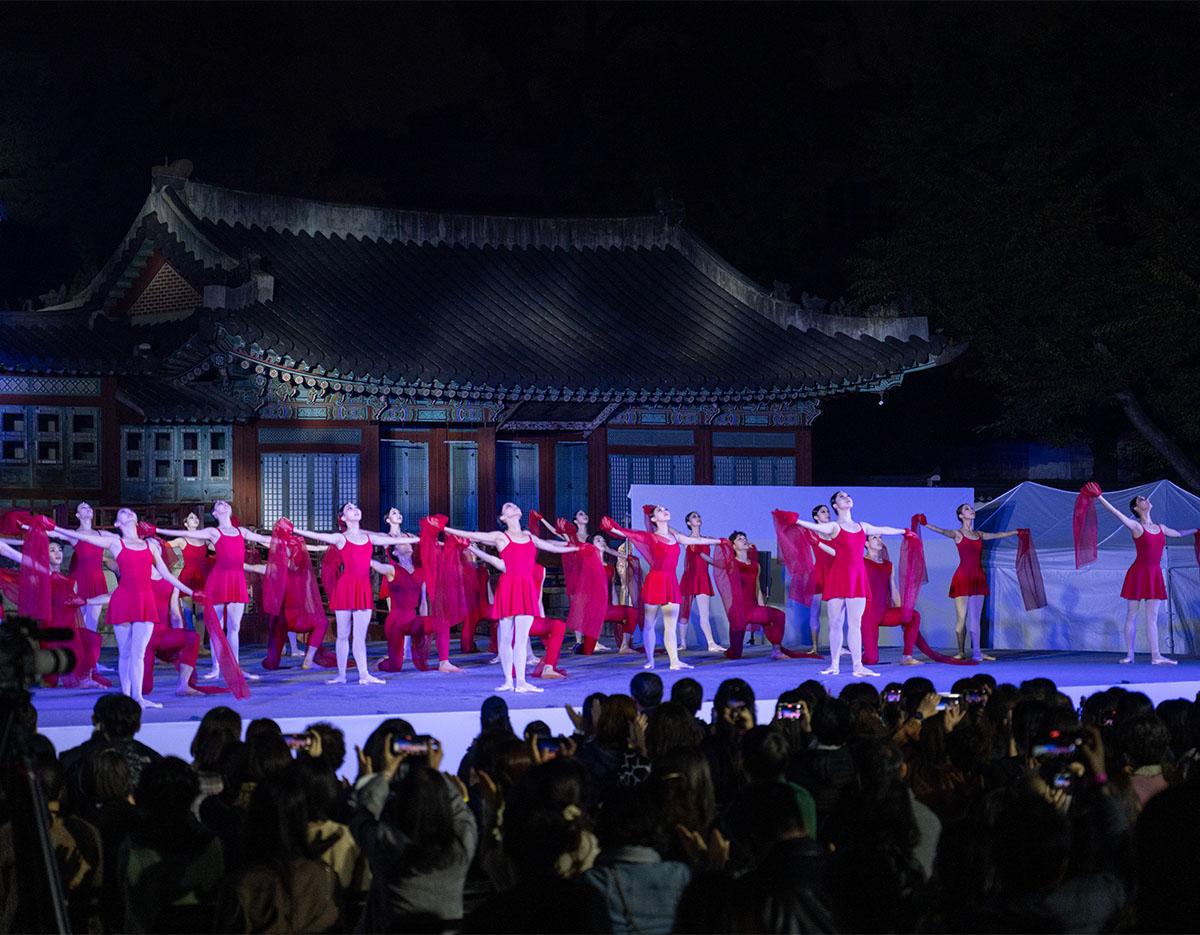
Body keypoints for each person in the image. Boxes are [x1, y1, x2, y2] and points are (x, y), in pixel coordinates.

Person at [53, 508, 198, 708]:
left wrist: (191, 592)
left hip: (145, 602)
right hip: (123, 600)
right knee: (126, 653)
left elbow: (167, 575)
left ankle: (137, 697)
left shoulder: (150, 546)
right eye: (123, 512)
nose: (128, 513)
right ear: (117, 524)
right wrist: (52, 527)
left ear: (136, 519)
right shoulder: (115, 543)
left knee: (138, 653)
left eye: (130, 512)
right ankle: (126, 696)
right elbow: (78, 535)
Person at [443, 503, 577, 692]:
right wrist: (445, 529)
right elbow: (473, 535)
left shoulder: (530, 537)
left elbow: (552, 547)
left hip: (526, 588)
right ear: (504, 517)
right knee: (506, 638)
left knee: (521, 639)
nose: (513, 506)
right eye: (508, 506)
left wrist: (576, 549)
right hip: (509, 587)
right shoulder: (500, 537)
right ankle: (508, 680)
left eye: (514, 505)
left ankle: (521, 682)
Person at [348, 735, 477, 930]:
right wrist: (433, 774)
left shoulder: (386, 845)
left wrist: (386, 773)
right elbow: (462, 813)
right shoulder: (461, 847)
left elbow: (361, 815)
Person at [292, 501, 419, 684]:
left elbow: (395, 540)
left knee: (360, 636)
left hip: (363, 589)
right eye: (349, 508)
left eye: (355, 506)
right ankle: (342, 675)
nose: (354, 509)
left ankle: (364, 674)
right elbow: (316, 535)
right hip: (345, 588)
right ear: (343, 518)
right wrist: (295, 529)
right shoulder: (340, 538)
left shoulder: (369, 538)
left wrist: (418, 539)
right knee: (343, 634)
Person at [791, 491, 913, 678]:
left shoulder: (862, 526)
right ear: (835, 506)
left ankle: (858, 666)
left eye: (847, 495)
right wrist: (797, 521)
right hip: (838, 576)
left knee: (855, 624)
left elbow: (883, 529)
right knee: (835, 623)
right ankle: (834, 665)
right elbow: (814, 528)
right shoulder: (833, 526)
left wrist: (904, 531)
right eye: (841, 497)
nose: (846, 497)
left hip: (857, 578)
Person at [154, 500, 272, 683]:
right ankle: (216, 668)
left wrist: (288, 539)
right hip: (219, 581)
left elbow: (266, 540)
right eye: (218, 505)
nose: (223, 505)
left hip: (237, 580)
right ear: (215, 514)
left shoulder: (242, 532)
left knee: (234, 628)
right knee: (217, 627)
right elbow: (183, 533)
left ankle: (235, 668)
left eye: (225, 503)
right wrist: (158, 531)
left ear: (230, 510)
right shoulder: (213, 532)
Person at [602, 505, 722, 671]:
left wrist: (720, 541)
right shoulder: (652, 537)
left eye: (665, 508)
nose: (664, 510)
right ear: (653, 519)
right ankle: (650, 660)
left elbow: (698, 540)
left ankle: (675, 661)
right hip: (655, 582)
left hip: (670, 583)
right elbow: (630, 534)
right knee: (650, 624)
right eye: (659, 510)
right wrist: (613, 527)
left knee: (670, 626)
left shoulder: (676, 537)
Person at [1095, 491, 1196, 664]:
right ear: (1136, 508)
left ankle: (1156, 656)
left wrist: (1196, 530)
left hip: (1154, 575)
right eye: (1141, 499)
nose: (1146, 499)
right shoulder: (1136, 527)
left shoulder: (1161, 528)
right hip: (1138, 574)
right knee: (1132, 614)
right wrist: (1099, 497)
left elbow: (1178, 534)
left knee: (1152, 617)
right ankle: (1130, 655)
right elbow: (1116, 513)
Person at [921, 504, 1018, 661]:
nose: (971, 510)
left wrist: (1016, 532)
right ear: (961, 516)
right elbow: (942, 531)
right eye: (967, 509)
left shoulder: (979, 534)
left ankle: (978, 652)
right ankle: (960, 652)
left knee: (976, 618)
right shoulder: (957, 533)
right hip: (963, 577)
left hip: (978, 577)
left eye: (971, 508)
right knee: (961, 618)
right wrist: (926, 524)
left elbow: (998, 534)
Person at [65, 501, 115, 668]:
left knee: (92, 622)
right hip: (80, 579)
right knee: (81, 621)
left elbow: (125, 539)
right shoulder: (74, 534)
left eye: (89, 507)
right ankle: (80, 659)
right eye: (83, 508)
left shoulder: (102, 534)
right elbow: (54, 532)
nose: (88, 509)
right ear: (78, 515)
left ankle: (92, 661)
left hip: (97, 579)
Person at [679, 512, 726, 653]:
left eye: (698, 516)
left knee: (704, 613)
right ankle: (682, 643)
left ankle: (711, 643)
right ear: (688, 522)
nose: (697, 518)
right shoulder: (686, 539)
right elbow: (704, 557)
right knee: (684, 610)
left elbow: (719, 545)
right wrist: (718, 563)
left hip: (703, 577)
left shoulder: (707, 539)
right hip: (690, 577)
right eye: (693, 516)